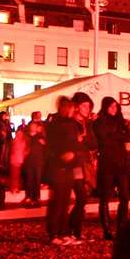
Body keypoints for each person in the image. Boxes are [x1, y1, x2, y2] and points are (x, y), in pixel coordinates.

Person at [45, 93, 92, 246]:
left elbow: (78, 144)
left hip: (70, 165)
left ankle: (64, 232)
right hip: (59, 166)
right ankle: (54, 233)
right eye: (71, 108)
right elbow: (53, 144)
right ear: (64, 108)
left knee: (65, 201)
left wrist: (76, 147)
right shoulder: (55, 124)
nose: (73, 111)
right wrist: (62, 154)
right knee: (58, 201)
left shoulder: (71, 124)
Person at [93, 96, 130, 242]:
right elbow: (104, 140)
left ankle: (121, 226)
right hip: (107, 163)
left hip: (121, 162)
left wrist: (115, 135)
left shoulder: (120, 121)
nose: (114, 109)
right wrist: (119, 135)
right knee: (105, 197)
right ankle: (107, 229)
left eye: (115, 107)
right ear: (105, 107)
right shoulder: (99, 122)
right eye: (111, 107)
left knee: (125, 195)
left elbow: (129, 136)